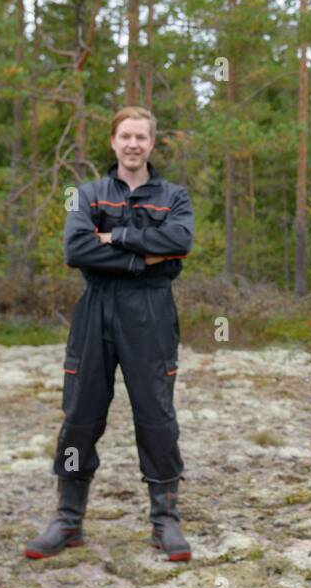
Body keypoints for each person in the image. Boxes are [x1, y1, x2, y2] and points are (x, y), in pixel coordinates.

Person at [25, 106, 195, 562]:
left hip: (152, 312)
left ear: (152, 144)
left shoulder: (174, 196)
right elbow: (76, 248)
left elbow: (179, 243)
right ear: (113, 142)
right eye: (125, 136)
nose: (133, 144)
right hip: (95, 308)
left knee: (157, 416)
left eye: (141, 137)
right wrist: (143, 254)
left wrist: (113, 239)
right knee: (80, 414)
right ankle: (67, 520)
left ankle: (166, 522)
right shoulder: (86, 194)